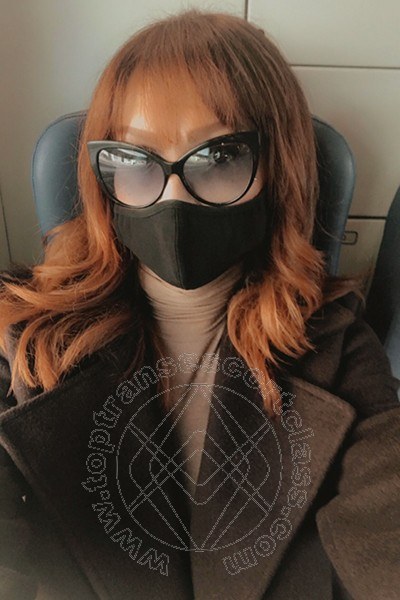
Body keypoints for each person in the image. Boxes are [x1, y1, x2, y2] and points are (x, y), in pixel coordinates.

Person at [0, 9, 399, 600]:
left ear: (277, 166)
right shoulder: (24, 333)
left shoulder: (338, 346)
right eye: (134, 160)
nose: (173, 196)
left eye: (219, 157)